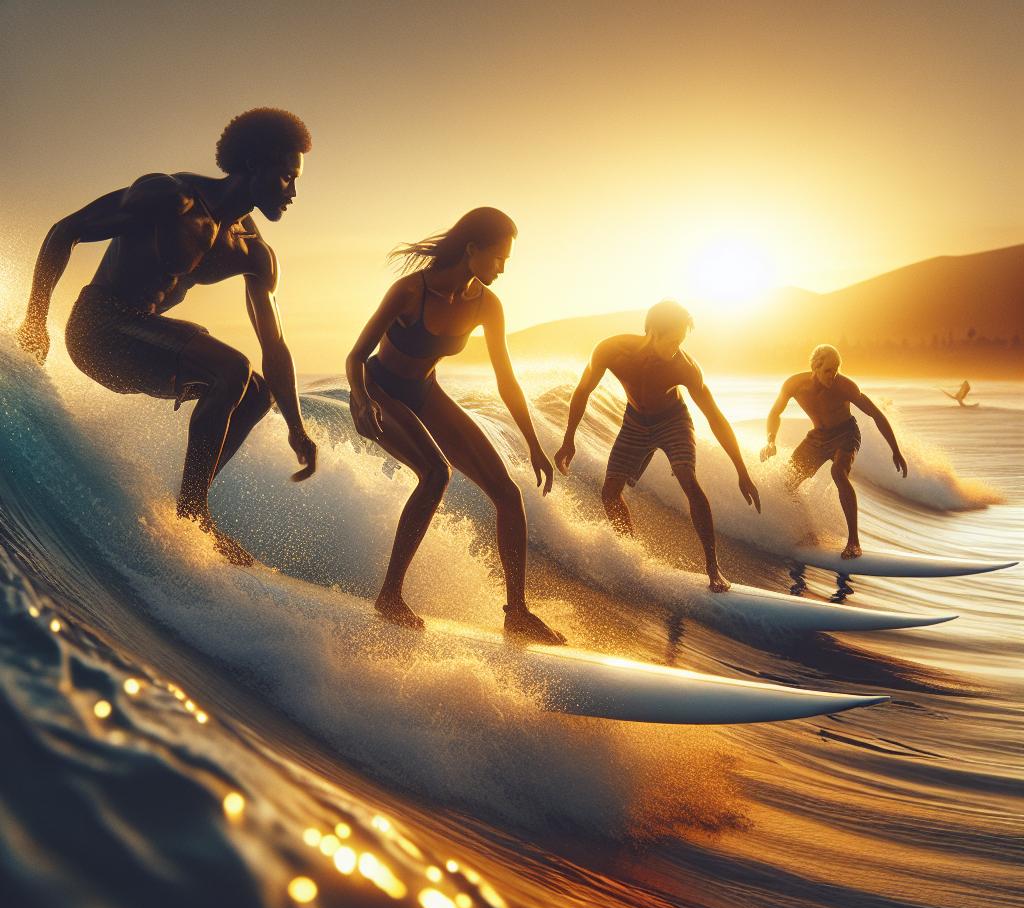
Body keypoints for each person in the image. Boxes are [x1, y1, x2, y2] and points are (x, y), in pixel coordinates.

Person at [15, 108, 318, 565]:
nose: (293, 193)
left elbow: (274, 346)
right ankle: (194, 513)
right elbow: (66, 231)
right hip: (98, 330)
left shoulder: (254, 252)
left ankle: (190, 510)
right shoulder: (170, 197)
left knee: (257, 394)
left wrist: (297, 428)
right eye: (285, 177)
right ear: (253, 165)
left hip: (143, 344)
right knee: (232, 367)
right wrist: (36, 320)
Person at [345, 208, 565, 643]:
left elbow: (506, 380)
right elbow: (354, 357)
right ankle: (389, 595)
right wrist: (364, 400)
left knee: (507, 493)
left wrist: (534, 445)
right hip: (377, 391)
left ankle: (517, 612)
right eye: (498, 258)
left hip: (425, 392)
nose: (502, 269)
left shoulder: (486, 305)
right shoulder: (410, 292)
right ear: (472, 250)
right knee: (435, 474)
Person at [554, 301, 761, 592]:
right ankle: (632, 558)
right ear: (652, 332)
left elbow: (715, 417)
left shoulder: (684, 368)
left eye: (681, 342)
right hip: (635, 423)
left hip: (673, 421)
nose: (677, 349)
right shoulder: (611, 351)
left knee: (687, 478)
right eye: (673, 341)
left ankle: (713, 569)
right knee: (609, 492)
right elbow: (583, 390)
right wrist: (568, 439)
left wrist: (742, 470)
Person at [760, 344, 907, 559]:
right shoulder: (794, 385)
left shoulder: (845, 387)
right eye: (828, 370)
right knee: (786, 483)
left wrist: (895, 450)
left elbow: (875, 414)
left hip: (846, 434)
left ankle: (854, 542)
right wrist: (771, 441)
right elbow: (775, 413)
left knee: (838, 472)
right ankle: (806, 532)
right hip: (817, 438)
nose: (833, 374)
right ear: (815, 368)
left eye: (836, 368)